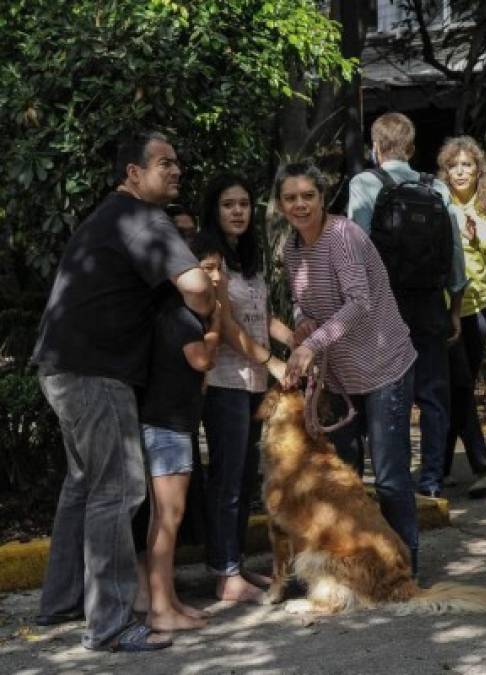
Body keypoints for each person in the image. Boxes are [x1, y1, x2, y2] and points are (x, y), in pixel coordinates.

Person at [31, 131, 216, 651]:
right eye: (163, 163)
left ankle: (61, 602)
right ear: (133, 174)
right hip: (96, 370)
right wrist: (207, 289)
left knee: (84, 485)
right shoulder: (140, 217)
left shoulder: (107, 216)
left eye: (178, 163)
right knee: (120, 489)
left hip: (60, 366)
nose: (175, 171)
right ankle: (110, 625)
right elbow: (198, 294)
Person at [278, 162, 421, 573]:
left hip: (383, 366)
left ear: (323, 199)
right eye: (291, 198)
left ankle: (405, 568)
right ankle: (362, 565)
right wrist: (303, 319)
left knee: (391, 477)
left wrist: (313, 345)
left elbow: (360, 302)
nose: (300, 204)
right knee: (345, 478)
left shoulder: (342, 236)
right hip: (340, 376)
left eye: (308, 195)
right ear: (281, 205)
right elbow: (301, 301)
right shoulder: (292, 248)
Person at [347, 112, 469, 499]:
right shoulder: (436, 188)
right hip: (431, 302)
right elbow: (455, 251)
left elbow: (357, 248)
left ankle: (393, 475)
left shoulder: (365, 183)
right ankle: (431, 479)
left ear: (375, 147)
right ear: (412, 148)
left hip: (383, 307)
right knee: (433, 393)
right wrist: (454, 307)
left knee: (384, 390)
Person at [200, 173, 291, 603]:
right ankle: (225, 573)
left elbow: (264, 318)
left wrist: (298, 342)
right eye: (227, 204)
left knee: (242, 478)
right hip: (224, 381)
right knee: (227, 480)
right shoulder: (210, 256)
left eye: (244, 204)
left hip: (253, 383)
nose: (237, 211)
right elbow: (227, 324)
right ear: (214, 211)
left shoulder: (249, 258)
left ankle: (233, 565)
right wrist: (271, 360)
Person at [139, 231, 224, 631]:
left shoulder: (178, 312)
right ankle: (160, 609)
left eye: (216, 271)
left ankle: (167, 599)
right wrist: (219, 320)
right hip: (167, 426)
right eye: (204, 271)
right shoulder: (180, 314)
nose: (212, 280)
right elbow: (203, 360)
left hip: (170, 424)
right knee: (168, 517)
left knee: (166, 516)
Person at [435, 136, 486, 498]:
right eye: (453, 166)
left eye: (467, 165)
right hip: (442, 307)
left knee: (458, 388)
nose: (460, 172)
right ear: (445, 171)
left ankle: (441, 466)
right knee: (459, 386)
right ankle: (482, 467)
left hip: (475, 307)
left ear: (477, 168)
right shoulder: (437, 198)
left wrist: (477, 235)